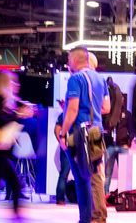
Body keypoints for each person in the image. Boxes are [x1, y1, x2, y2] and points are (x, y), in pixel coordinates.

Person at [58, 46, 108, 223]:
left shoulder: (76, 79)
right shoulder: (100, 79)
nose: (67, 63)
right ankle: (95, 217)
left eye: (69, 59)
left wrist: (63, 134)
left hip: (80, 134)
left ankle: (92, 218)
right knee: (94, 176)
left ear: (76, 60)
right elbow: (106, 107)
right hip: (96, 132)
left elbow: (72, 109)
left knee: (81, 180)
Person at [0, 72, 33, 223]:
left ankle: (12, 217)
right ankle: (15, 218)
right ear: (5, 83)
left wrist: (18, 114)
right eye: (13, 82)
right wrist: (18, 115)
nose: (17, 85)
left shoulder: (6, 101)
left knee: (3, 188)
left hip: (0, 153)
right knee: (4, 188)